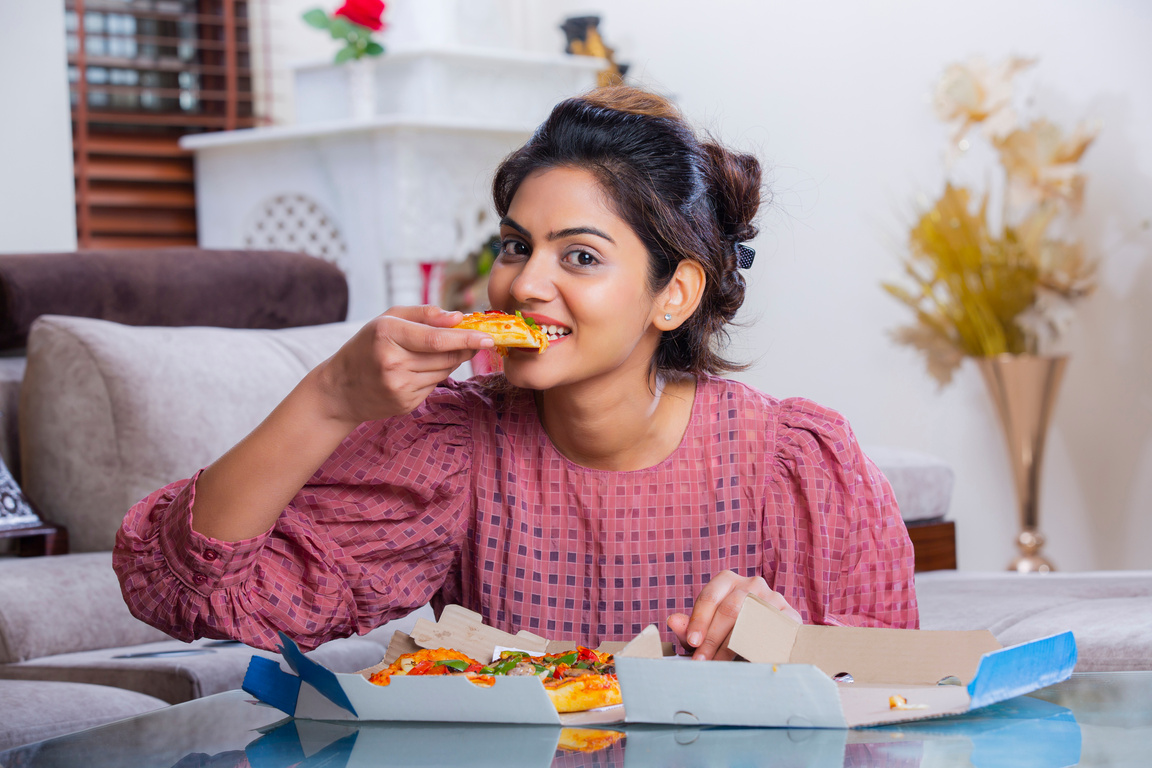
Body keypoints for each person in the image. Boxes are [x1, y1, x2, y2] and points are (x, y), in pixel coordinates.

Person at [113, 86, 917, 662]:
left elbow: (903, 689)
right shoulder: (453, 450)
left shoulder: (796, 462)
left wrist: (782, 641)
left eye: (580, 256)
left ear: (673, 294)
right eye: (515, 245)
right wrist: (329, 396)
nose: (526, 284)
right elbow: (185, 591)